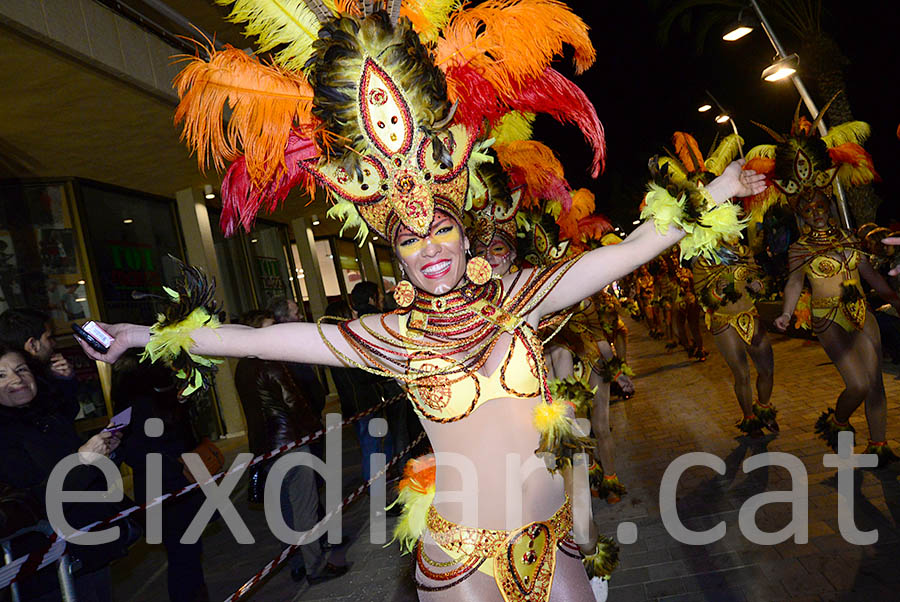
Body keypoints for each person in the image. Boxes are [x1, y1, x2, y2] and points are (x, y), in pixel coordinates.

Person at [79, 3, 765, 599]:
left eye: (441, 229)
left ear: (465, 238)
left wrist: (724, 189)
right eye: (411, 240)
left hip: (553, 538)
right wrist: (142, 335)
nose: (429, 245)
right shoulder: (389, 334)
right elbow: (253, 340)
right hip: (460, 559)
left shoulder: (521, 298)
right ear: (397, 257)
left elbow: (625, 252)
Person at [746, 106, 898, 465]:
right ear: (800, 212)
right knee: (858, 385)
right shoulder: (800, 248)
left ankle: (879, 446)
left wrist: (895, 299)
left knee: (875, 383)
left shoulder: (848, 239)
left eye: (820, 206)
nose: (815, 211)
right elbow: (795, 283)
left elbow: (874, 280)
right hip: (828, 320)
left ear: (829, 205)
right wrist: (785, 314)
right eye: (808, 208)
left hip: (862, 312)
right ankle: (839, 419)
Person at [0, 343, 130, 601]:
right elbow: (33, 503)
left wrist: (106, 453)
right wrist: (83, 460)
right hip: (45, 568)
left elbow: (90, 480)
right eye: (1, 375)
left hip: (88, 551)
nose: (16, 379)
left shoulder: (50, 417)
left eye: (21, 369)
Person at [233, 310, 347, 585]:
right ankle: (315, 566)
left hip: (265, 448)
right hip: (291, 443)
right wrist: (314, 431)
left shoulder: (241, 369)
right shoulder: (271, 363)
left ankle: (294, 562)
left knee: (283, 511)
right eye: (269, 329)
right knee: (304, 507)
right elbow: (293, 402)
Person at [111, 352, 209, 602]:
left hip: (169, 484)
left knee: (185, 554)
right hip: (169, 486)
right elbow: (144, 446)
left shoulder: (142, 400)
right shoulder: (145, 403)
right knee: (184, 556)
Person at [324, 301, 395, 485]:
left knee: (375, 444)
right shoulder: (346, 344)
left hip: (359, 403)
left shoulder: (335, 343)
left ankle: (380, 480)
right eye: (350, 311)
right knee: (372, 446)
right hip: (363, 403)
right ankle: (376, 486)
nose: (355, 313)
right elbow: (361, 375)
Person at [0, 308, 78, 405]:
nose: (54, 343)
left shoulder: (46, 376)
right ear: (33, 345)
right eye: (50, 338)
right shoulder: (34, 387)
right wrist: (63, 382)